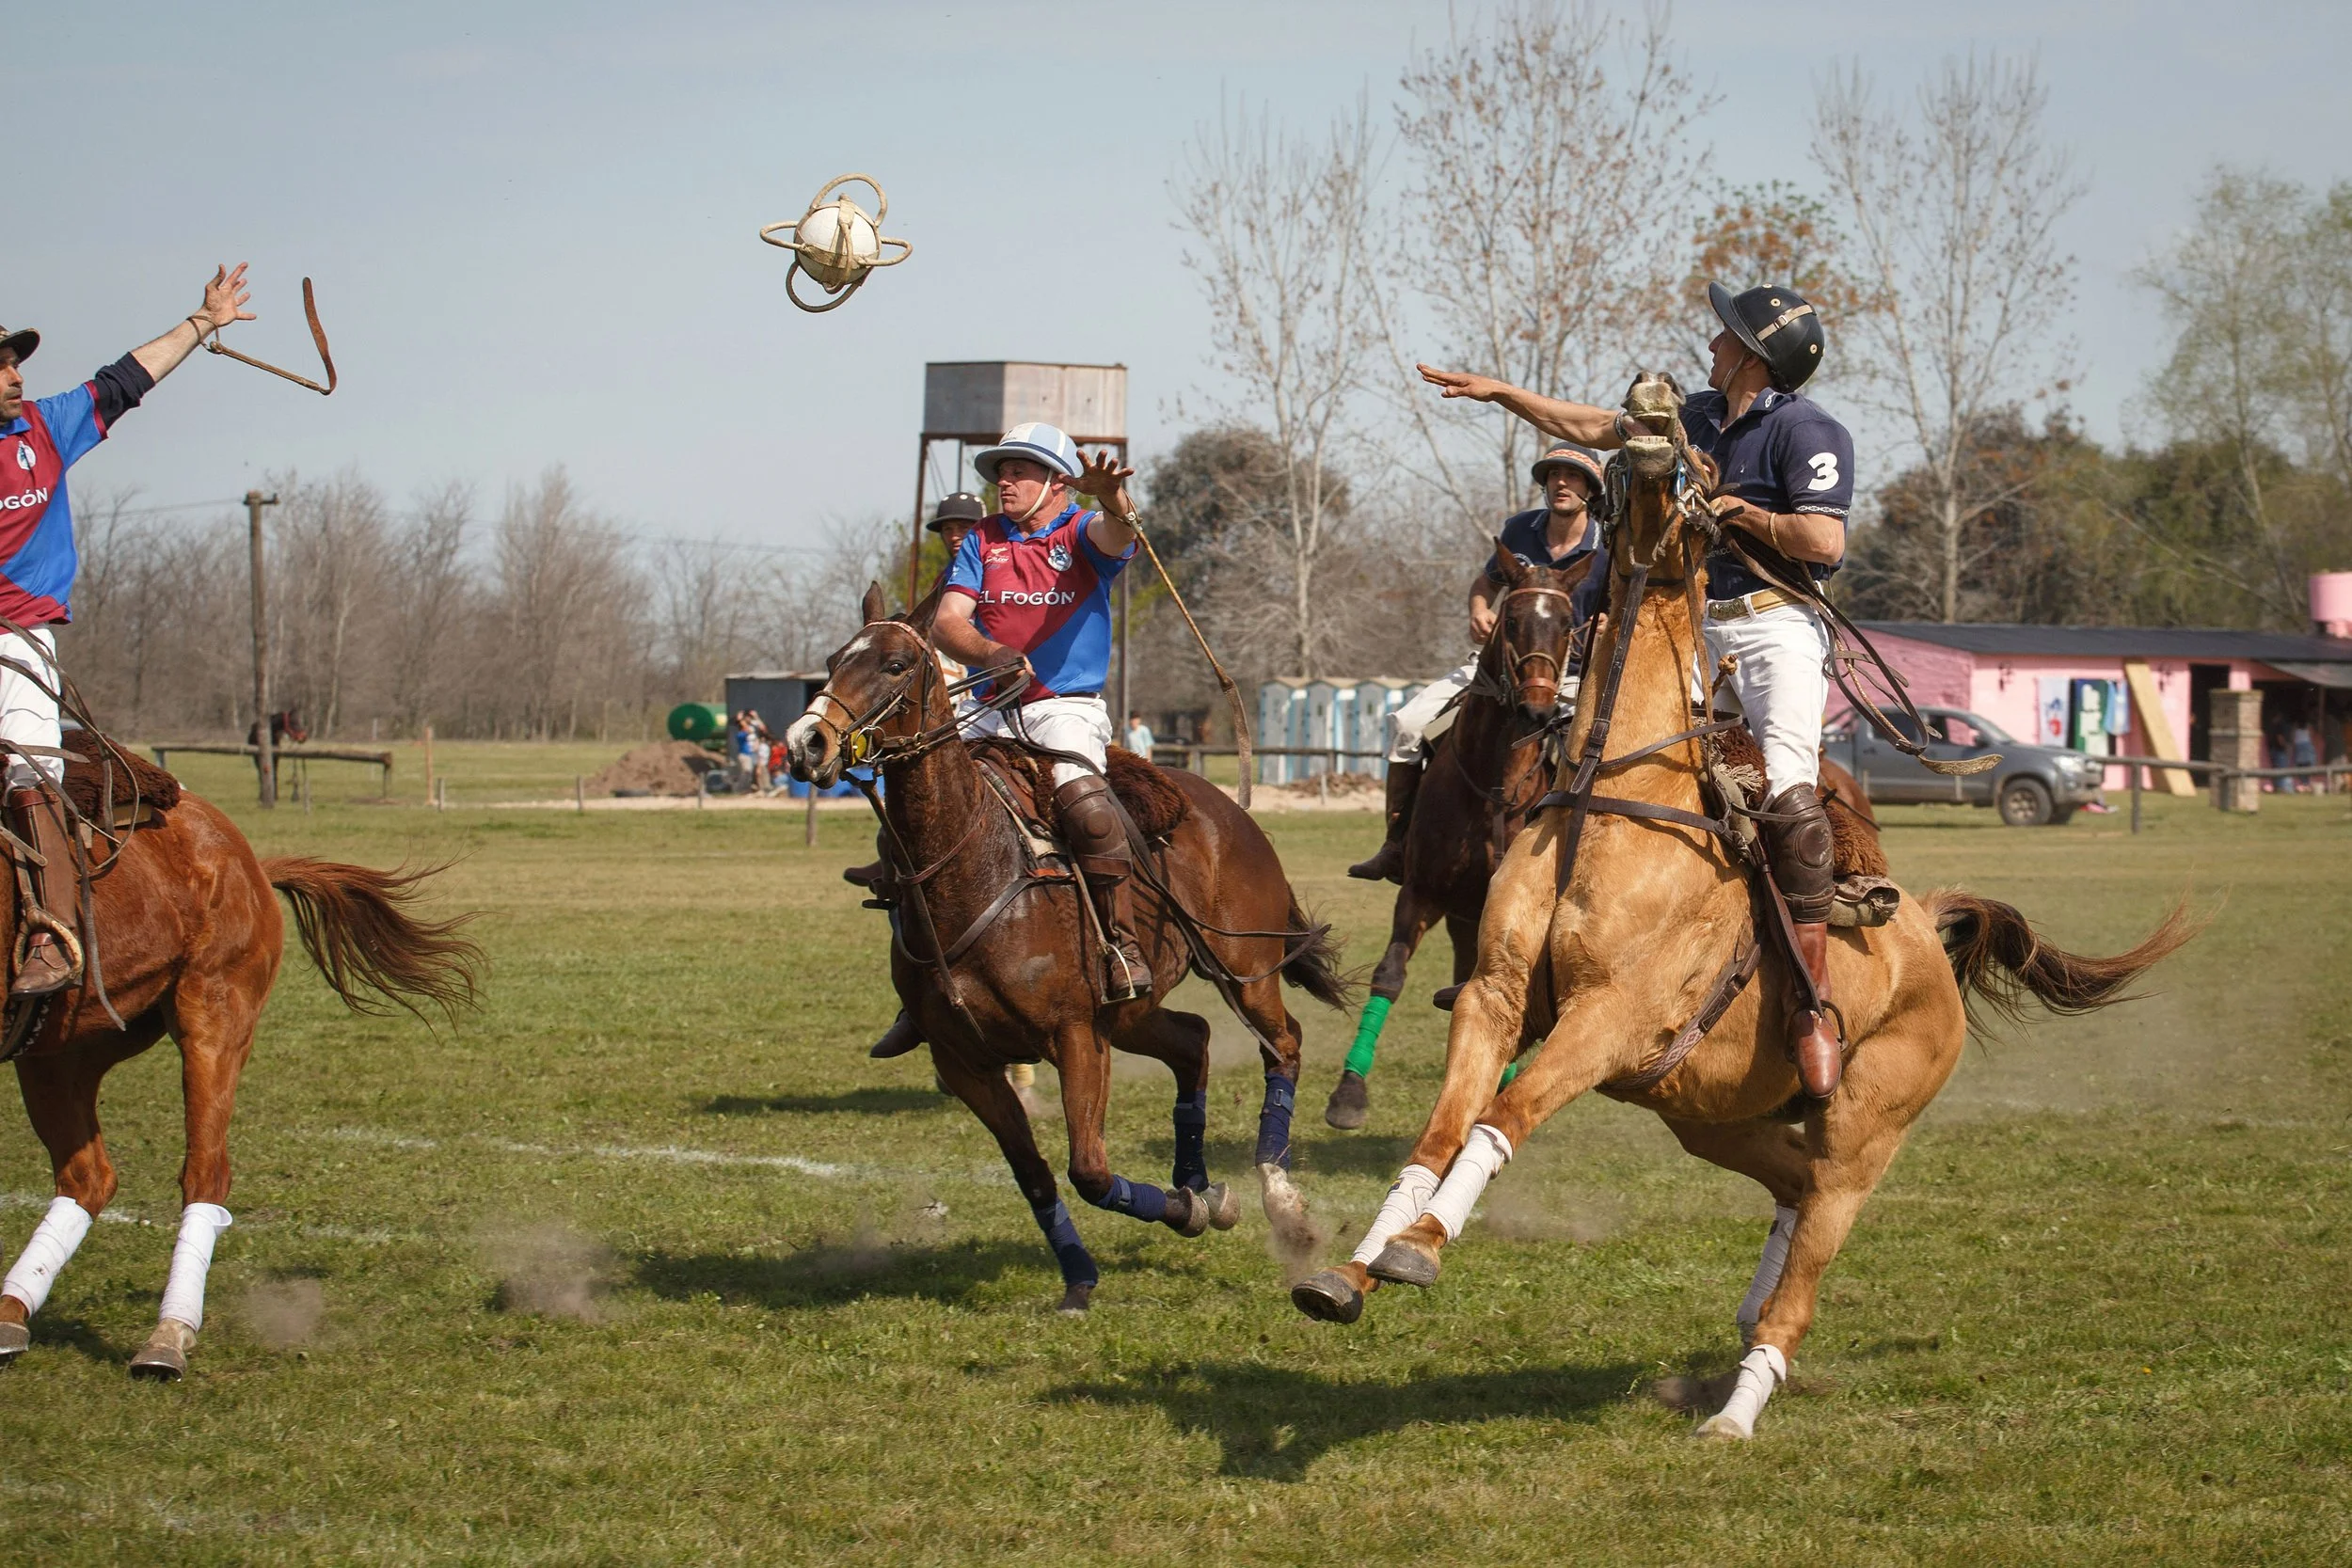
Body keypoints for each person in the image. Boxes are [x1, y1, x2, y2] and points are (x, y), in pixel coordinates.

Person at [1416, 281, 1856, 1098]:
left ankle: (1812, 1004)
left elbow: (1822, 536)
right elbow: (1592, 427)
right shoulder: (1691, 413)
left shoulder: (1808, 430)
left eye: (1727, 336)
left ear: (1757, 355)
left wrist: (1737, 511)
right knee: (1600, 759)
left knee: (1790, 795)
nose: (1713, 343)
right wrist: (1501, 393)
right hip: (1689, 624)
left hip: (1773, 626)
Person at [0, 264, 261, 997]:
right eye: (1, 365)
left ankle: (49, 935)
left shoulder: (44, 427)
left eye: (16, 361)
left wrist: (203, 322)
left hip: (17, 636)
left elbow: (125, 380)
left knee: (31, 766)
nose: (15, 374)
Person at [860, 437, 1145, 1058]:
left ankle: (1121, 945)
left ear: (1055, 482)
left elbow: (1119, 531)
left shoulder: (1079, 531)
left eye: (1019, 473)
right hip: (990, 707)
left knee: (1088, 808)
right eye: (1002, 474)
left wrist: (1113, 496)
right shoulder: (984, 538)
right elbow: (946, 619)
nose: (1004, 484)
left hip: (1063, 706)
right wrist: (990, 654)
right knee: (914, 807)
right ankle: (920, 994)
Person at [1346, 441, 1609, 884]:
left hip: (1572, 675)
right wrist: (1478, 609)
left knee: (1589, 756)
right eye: (1553, 475)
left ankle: (1586, 864)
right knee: (1409, 724)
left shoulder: (1608, 543)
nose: (1561, 483)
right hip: (1499, 669)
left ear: (1591, 488)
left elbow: (1629, 606)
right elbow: (1484, 584)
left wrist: (1610, 622)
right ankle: (1397, 843)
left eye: (1573, 476)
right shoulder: (1521, 530)